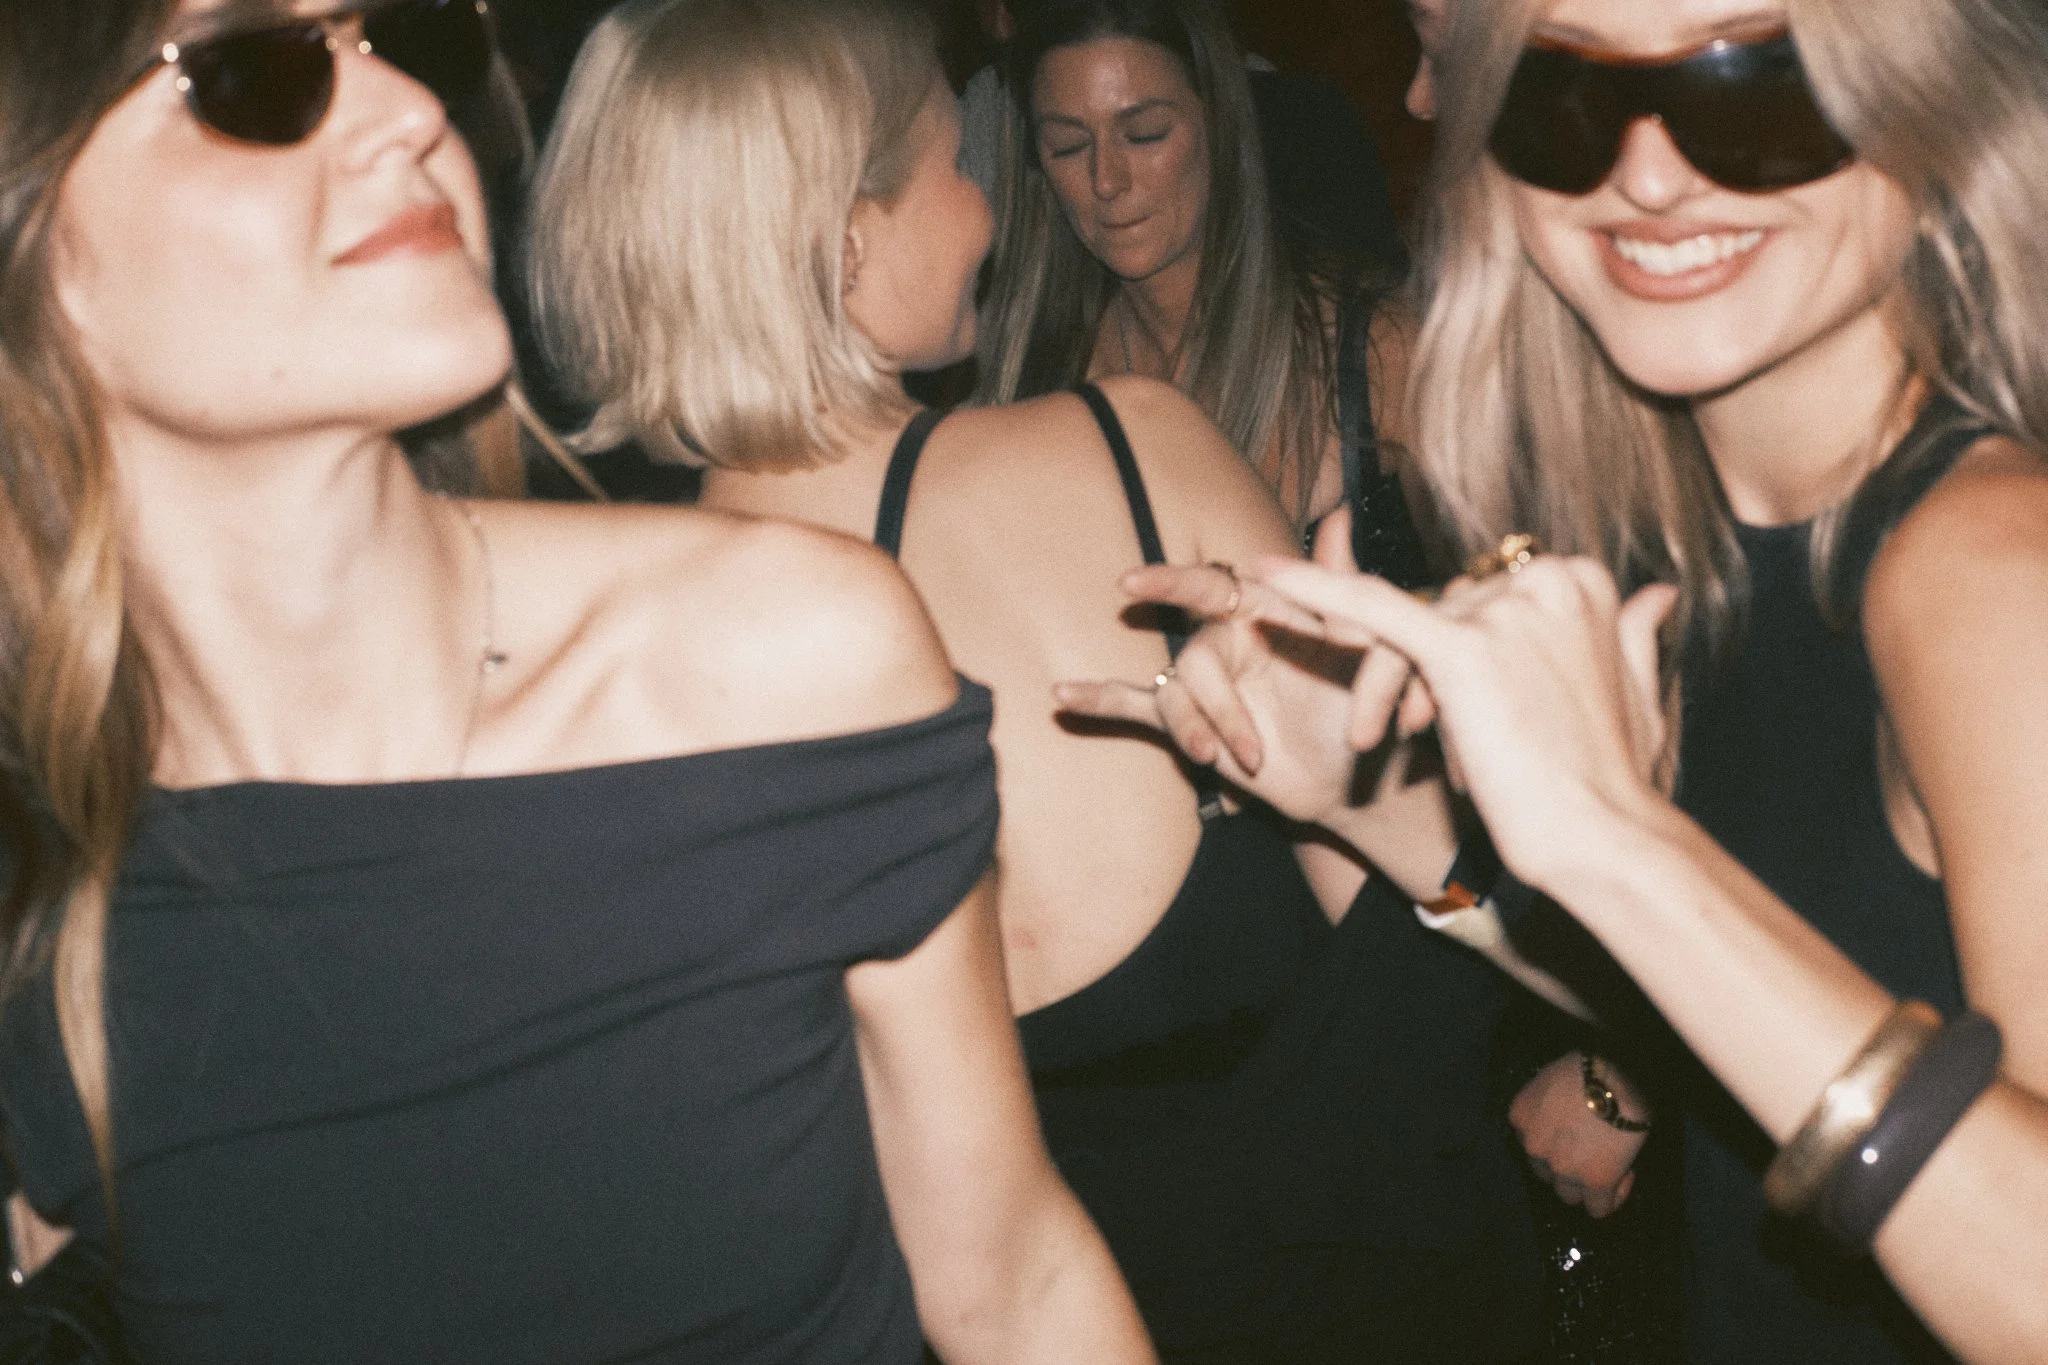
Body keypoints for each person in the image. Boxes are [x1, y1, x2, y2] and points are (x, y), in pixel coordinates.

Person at [0, 1, 1154, 1361]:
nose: (407, 114)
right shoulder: (43, 876)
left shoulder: (776, 662)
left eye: (398, 41)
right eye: (257, 72)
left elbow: (1013, 1290)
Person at [526, 0, 1543, 1359]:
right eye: (961, 165)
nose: (993, 212)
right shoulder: (1131, 450)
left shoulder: (578, 654)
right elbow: (1439, 944)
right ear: (844, 234)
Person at [1064, 0, 2048, 1358]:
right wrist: (1371, 807)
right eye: (1561, 92)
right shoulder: (1689, 532)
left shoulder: (1987, 564)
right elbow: (1738, 1014)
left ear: (1929, 107)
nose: (1645, 173)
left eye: (1748, 83)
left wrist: (1625, 845)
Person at [976, 0, 1414, 549]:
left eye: (1146, 134)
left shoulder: (1376, 353)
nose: (1106, 180)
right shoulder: (1032, 377)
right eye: (1068, 146)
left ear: (1219, 123)